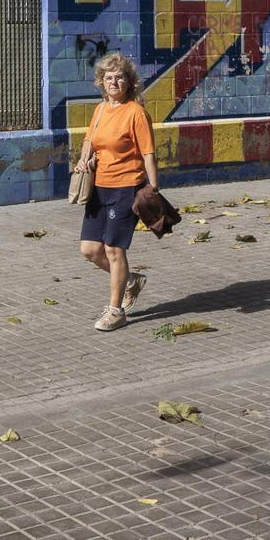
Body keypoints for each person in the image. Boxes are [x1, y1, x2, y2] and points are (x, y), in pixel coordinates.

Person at [75, 52, 159, 331]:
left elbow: (148, 152)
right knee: (89, 249)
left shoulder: (135, 112)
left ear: (129, 82)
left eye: (120, 77)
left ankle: (116, 311)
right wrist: (83, 159)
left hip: (127, 187)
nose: (114, 82)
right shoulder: (100, 110)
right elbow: (90, 140)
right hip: (100, 187)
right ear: (102, 82)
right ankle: (130, 280)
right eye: (109, 78)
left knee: (113, 248)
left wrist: (153, 186)